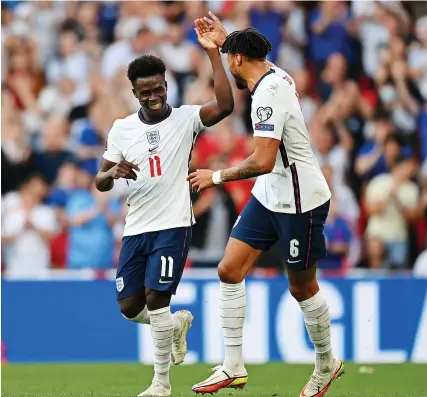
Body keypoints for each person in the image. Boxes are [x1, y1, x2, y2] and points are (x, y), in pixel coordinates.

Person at [189, 13, 344, 397]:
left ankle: (327, 363)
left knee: (302, 288)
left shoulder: (268, 98)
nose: (229, 64)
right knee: (228, 269)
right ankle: (232, 366)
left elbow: (262, 161)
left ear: (239, 60)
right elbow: (251, 63)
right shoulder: (274, 74)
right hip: (270, 193)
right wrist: (226, 42)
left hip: (299, 201)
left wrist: (216, 176)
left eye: (230, 58)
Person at [94, 25, 234, 397]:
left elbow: (226, 105)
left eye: (159, 88)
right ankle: (173, 327)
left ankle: (161, 384)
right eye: (146, 92)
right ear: (135, 92)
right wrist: (112, 171)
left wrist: (212, 55)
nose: (154, 96)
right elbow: (100, 181)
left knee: (157, 298)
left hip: (173, 223)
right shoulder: (122, 129)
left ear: (166, 84)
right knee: (129, 306)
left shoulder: (186, 118)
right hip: (136, 226)